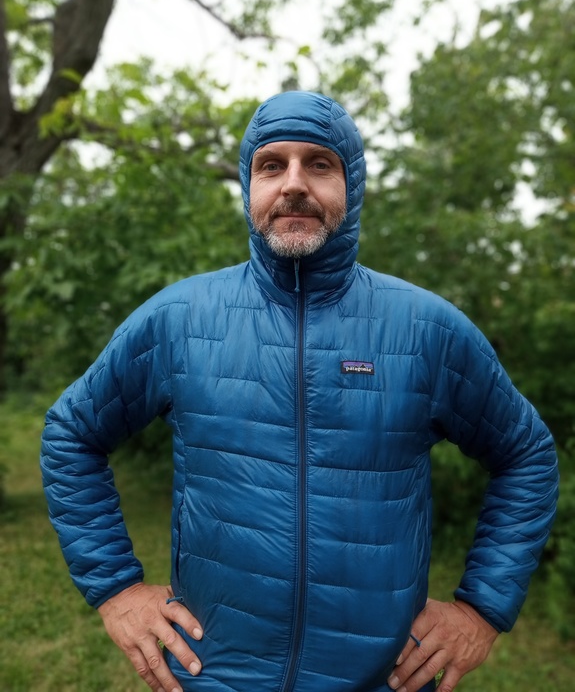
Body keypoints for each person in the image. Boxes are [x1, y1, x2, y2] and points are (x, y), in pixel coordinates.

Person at [41, 90, 559, 692]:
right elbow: (72, 432)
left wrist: (481, 609)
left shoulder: (427, 329)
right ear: (248, 186)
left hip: (382, 679)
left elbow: (526, 453)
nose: (293, 183)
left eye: (318, 163)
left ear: (352, 184)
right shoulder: (178, 318)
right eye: (271, 165)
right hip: (212, 677)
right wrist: (116, 590)